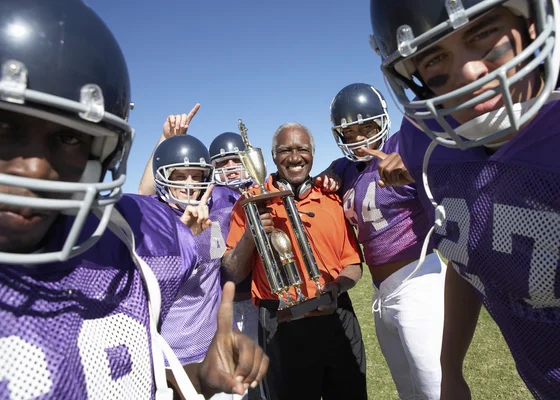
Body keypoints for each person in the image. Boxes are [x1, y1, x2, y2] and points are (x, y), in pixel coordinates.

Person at [0, 1, 267, 399]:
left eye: (70, 136)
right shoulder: (152, 225)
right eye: (5, 128)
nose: (35, 169)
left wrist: (198, 379)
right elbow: (146, 198)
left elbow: (139, 382)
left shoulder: (127, 235)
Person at [369, 0, 560, 398]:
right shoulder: (425, 141)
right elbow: (469, 256)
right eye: (434, 56)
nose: (469, 72)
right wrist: (450, 368)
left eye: (483, 33)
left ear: (529, 22)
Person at [221, 123, 368, 400]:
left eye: (302, 149)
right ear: (273, 157)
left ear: (312, 153)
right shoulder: (249, 203)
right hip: (281, 321)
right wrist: (251, 235)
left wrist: (335, 289)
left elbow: (353, 264)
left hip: (335, 313)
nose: (295, 157)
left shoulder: (330, 198)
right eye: (286, 150)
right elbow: (232, 271)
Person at [322, 82, 446, 399]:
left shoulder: (405, 149)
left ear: (382, 122)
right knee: (407, 388)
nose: (358, 140)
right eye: (348, 133)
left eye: (365, 128)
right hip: (381, 292)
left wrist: (416, 170)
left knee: (435, 385)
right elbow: (326, 176)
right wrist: (330, 173)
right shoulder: (345, 169)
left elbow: (448, 178)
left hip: (418, 279)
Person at [209, 132, 264, 400]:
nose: (230, 168)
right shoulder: (212, 202)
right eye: (222, 164)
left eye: (235, 160)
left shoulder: (260, 188)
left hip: (262, 304)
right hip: (228, 306)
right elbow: (219, 261)